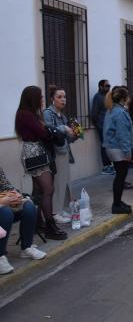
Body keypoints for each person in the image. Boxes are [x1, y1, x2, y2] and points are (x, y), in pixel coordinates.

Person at [14, 86, 67, 240]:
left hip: (35, 152)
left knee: (39, 191)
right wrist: (50, 131)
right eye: (40, 97)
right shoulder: (26, 115)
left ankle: (38, 223)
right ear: (32, 98)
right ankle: (50, 226)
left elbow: (44, 132)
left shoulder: (28, 114)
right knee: (48, 189)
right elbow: (43, 133)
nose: (42, 100)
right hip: (34, 153)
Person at [43, 86, 81, 224]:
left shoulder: (63, 116)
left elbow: (67, 138)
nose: (63, 99)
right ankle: (54, 212)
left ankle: (60, 209)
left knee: (65, 183)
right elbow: (48, 131)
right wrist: (63, 128)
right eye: (59, 97)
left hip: (64, 151)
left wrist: (76, 134)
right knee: (57, 183)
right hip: (55, 153)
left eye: (64, 97)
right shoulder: (48, 113)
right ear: (52, 99)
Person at [0, 167, 46, 274]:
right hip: (3, 208)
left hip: (4, 203)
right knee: (6, 212)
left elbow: (8, 187)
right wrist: (3, 201)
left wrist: (16, 195)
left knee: (29, 206)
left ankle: (26, 248)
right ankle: (0, 255)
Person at [103, 87, 133, 214]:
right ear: (123, 99)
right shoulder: (120, 113)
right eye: (127, 96)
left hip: (113, 147)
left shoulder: (113, 110)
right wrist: (127, 152)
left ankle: (118, 202)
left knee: (120, 176)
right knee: (120, 177)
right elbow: (122, 134)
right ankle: (116, 204)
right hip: (118, 148)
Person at [91, 79, 113, 175]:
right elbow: (94, 114)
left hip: (107, 126)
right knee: (105, 145)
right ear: (101, 87)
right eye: (107, 86)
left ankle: (110, 165)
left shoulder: (107, 97)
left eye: (109, 85)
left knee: (108, 145)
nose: (109, 87)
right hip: (102, 126)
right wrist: (99, 125)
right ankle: (106, 167)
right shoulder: (98, 97)